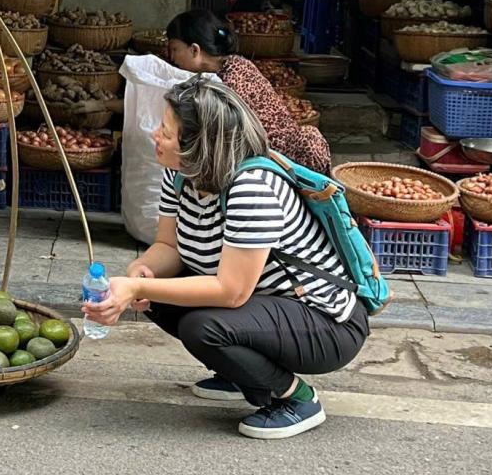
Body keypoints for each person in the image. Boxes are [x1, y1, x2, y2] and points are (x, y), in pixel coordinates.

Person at [84, 77, 369, 439]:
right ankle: (241, 374)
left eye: (167, 132)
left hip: (325, 323)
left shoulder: (252, 187)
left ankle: (297, 399)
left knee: (202, 327)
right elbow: (169, 248)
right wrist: (143, 272)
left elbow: (231, 291)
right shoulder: (181, 175)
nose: (156, 135)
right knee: (158, 295)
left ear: (199, 147)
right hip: (268, 307)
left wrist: (137, 285)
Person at [165, 8, 331, 173]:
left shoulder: (228, 82)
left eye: (175, 49)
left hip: (277, 163)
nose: (172, 58)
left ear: (195, 50)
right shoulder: (235, 65)